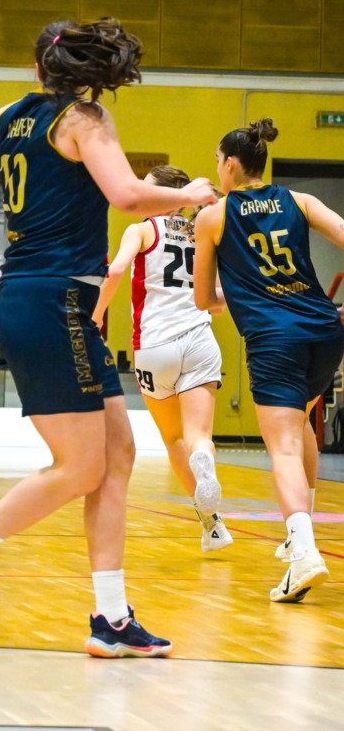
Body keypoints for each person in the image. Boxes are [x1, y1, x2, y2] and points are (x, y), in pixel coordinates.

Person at [0, 18, 217, 657]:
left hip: (44, 299)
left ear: (37, 69)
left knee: (116, 456)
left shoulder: (8, 117)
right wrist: (188, 193)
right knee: (82, 466)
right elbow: (128, 196)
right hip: (55, 297)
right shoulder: (85, 119)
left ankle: (111, 618)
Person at [194, 118, 344, 603]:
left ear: (231, 164)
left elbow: (203, 298)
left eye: (218, 161)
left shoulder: (213, 216)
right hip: (325, 331)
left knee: (282, 448)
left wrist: (239, 294)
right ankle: (299, 537)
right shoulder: (300, 201)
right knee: (299, 426)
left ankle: (305, 555)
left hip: (274, 337)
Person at [91, 165, 230, 553]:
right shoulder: (202, 231)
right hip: (200, 340)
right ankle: (204, 461)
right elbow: (218, 301)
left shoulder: (142, 230)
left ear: (163, 195)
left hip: (154, 346)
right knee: (199, 437)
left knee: (173, 439)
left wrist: (97, 314)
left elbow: (116, 270)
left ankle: (212, 524)